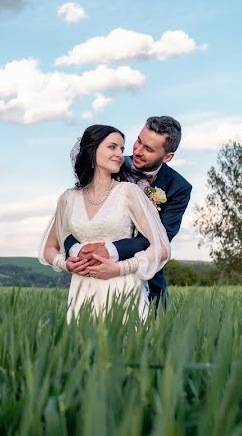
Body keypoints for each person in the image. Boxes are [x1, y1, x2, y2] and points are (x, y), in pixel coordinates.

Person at [38, 124, 171, 322]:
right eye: (112, 147)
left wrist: (121, 268)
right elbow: (49, 247)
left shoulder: (129, 192)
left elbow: (161, 247)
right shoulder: (68, 198)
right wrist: (66, 264)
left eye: (122, 149)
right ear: (92, 150)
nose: (120, 154)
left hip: (122, 287)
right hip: (82, 289)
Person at [64, 116, 192, 312]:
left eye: (149, 149)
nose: (137, 151)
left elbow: (159, 240)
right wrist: (78, 251)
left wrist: (110, 250)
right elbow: (75, 217)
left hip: (145, 276)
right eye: (139, 141)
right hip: (93, 276)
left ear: (167, 157)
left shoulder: (178, 187)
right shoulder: (110, 164)